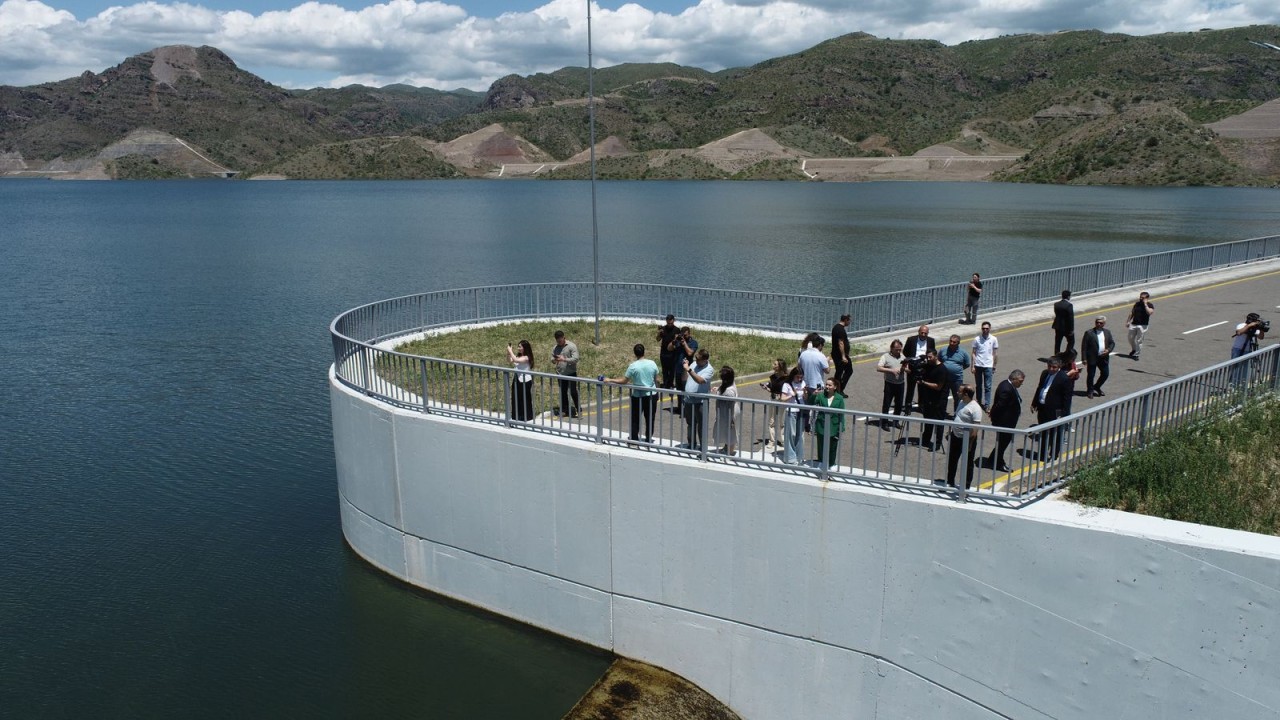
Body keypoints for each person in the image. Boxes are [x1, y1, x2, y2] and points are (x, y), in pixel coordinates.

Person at [604, 344, 658, 443]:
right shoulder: (652, 363)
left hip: (638, 396)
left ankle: (634, 439)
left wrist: (610, 379)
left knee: (635, 418)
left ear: (635, 353)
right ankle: (648, 439)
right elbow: (655, 379)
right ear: (644, 352)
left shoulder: (633, 366)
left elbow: (624, 381)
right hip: (652, 395)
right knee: (650, 418)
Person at [1030, 356, 1072, 461]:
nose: (1051, 369)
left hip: (1055, 411)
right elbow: (1040, 388)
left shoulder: (1064, 378)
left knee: (1055, 434)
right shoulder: (1044, 374)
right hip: (1043, 408)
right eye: (1049, 366)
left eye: (1054, 367)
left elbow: (1067, 398)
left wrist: (1064, 414)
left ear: (1059, 367)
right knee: (1043, 432)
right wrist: (1034, 403)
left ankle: (1054, 454)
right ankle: (1043, 454)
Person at [984, 369, 1025, 472]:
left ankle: (992, 459)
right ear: (1014, 378)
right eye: (1020, 381)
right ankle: (999, 463)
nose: (1021, 383)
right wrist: (993, 415)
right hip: (1005, 423)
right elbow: (1000, 406)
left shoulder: (1008, 385)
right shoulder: (1006, 388)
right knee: (1003, 443)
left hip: (1007, 421)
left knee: (1002, 443)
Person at [946, 384, 983, 490]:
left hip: (967, 440)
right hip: (955, 436)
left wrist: (970, 444)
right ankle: (950, 481)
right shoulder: (962, 402)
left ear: (966, 394)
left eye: (959, 391)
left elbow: (975, 429)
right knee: (952, 460)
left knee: (968, 463)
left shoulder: (975, 408)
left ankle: (966, 486)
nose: (957, 393)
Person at [809, 378, 846, 470]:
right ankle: (822, 462)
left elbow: (841, 414)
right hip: (821, 425)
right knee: (821, 445)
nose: (827, 387)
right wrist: (814, 394)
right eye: (826, 384)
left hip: (834, 426)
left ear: (835, 387)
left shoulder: (840, 398)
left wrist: (841, 427)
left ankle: (831, 463)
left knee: (833, 446)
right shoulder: (821, 396)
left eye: (830, 385)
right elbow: (811, 402)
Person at [681, 349, 715, 450]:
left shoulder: (709, 369)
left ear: (705, 360)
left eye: (698, 359)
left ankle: (703, 448)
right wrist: (685, 368)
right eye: (696, 358)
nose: (696, 360)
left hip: (701, 402)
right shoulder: (693, 364)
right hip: (688, 400)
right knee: (690, 424)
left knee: (702, 426)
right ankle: (691, 444)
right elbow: (684, 378)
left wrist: (689, 370)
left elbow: (700, 380)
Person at [917, 349, 948, 451]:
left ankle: (938, 444)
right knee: (928, 420)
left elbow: (938, 386)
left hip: (939, 400)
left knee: (938, 422)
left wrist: (923, 383)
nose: (928, 359)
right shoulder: (928, 365)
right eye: (927, 357)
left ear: (936, 356)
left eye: (930, 357)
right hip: (928, 398)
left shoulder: (942, 369)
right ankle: (926, 439)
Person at [903, 325, 936, 414]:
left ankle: (921, 405)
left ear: (927, 333)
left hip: (924, 367)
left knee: (922, 387)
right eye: (922, 332)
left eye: (925, 333)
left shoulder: (931, 341)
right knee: (910, 388)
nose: (923, 334)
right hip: (912, 367)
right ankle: (908, 406)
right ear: (918, 332)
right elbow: (905, 352)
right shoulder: (911, 340)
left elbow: (932, 352)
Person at [1081, 316, 1116, 398]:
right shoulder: (1089, 333)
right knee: (1091, 375)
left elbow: (1112, 343)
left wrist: (1108, 350)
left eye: (1101, 323)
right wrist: (1084, 359)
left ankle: (1096, 386)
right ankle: (1090, 390)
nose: (1098, 324)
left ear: (1104, 324)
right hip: (1092, 357)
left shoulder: (1107, 332)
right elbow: (1084, 347)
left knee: (1105, 374)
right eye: (1097, 322)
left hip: (1103, 357)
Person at [1230, 313, 1268, 385]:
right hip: (1237, 349)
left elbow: (1261, 337)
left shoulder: (1255, 328)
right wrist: (1249, 326)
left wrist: (1261, 329)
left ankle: (1242, 385)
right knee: (1235, 368)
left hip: (1247, 351)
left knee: (1245, 369)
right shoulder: (1242, 325)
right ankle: (1232, 384)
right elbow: (1239, 332)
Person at [875, 339, 906, 429]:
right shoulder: (885, 356)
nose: (898, 351)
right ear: (891, 348)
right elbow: (878, 368)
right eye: (896, 349)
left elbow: (907, 369)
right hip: (889, 384)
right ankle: (885, 422)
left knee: (899, 404)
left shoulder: (902, 357)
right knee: (887, 403)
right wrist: (891, 370)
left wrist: (904, 368)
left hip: (900, 383)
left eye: (900, 349)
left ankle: (896, 421)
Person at [779, 366, 806, 464]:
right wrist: (792, 395)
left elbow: (805, 398)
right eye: (797, 377)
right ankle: (790, 457)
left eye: (801, 377)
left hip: (801, 410)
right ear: (793, 376)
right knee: (791, 434)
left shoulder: (803, 383)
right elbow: (782, 398)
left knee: (800, 435)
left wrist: (805, 393)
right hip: (791, 411)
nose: (799, 379)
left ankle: (799, 456)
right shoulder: (787, 384)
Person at [938, 334, 971, 413]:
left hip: (957, 379)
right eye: (950, 341)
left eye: (954, 342)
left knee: (958, 397)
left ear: (958, 343)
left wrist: (957, 369)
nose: (951, 343)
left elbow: (967, 364)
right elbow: (939, 361)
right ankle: (942, 412)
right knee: (943, 396)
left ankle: (956, 413)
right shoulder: (943, 350)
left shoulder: (963, 353)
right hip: (944, 379)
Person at [551, 330, 580, 418]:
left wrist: (564, 359)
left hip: (571, 373)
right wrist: (555, 359)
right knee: (563, 393)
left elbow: (576, 359)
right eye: (558, 341)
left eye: (561, 340)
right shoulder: (555, 348)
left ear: (564, 337)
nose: (559, 342)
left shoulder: (571, 346)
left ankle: (578, 409)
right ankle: (565, 410)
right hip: (561, 374)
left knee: (573, 392)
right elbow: (552, 359)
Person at [760, 358, 788, 448]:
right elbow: (771, 389)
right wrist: (766, 388)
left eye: (775, 364)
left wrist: (783, 395)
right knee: (771, 420)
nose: (773, 365)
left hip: (782, 400)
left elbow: (789, 389)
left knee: (781, 421)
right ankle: (772, 440)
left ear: (780, 366)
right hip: (773, 398)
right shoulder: (772, 377)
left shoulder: (786, 378)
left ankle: (783, 440)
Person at [970, 321, 999, 411]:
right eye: (983, 328)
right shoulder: (977, 339)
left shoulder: (993, 339)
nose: (985, 330)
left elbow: (995, 354)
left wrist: (994, 365)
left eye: (987, 328)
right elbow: (973, 353)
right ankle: (979, 401)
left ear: (989, 328)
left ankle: (987, 405)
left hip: (988, 366)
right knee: (978, 385)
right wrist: (973, 366)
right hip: (978, 365)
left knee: (988, 386)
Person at [713, 366, 740, 455]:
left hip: (730, 412)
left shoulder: (730, 390)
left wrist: (718, 393)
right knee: (725, 430)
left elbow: (725, 395)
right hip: (724, 412)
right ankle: (726, 447)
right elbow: (722, 389)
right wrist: (718, 389)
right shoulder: (727, 384)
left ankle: (730, 453)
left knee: (731, 432)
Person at [506, 339, 535, 421]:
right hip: (517, 380)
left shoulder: (526, 357)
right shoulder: (518, 356)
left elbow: (515, 360)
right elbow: (510, 361)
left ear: (525, 348)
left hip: (525, 381)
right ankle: (516, 416)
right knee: (516, 398)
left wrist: (510, 351)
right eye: (518, 347)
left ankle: (527, 416)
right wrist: (508, 353)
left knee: (525, 399)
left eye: (520, 347)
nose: (518, 348)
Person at [1124, 291, 1154, 360]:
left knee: (1139, 340)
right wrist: (1128, 321)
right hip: (1134, 324)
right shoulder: (1137, 304)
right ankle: (1134, 349)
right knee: (1130, 338)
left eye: (1143, 297)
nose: (1141, 298)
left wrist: (1145, 304)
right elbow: (1132, 313)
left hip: (1142, 325)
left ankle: (1136, 354)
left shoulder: (1150, 305)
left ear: (1147, 298)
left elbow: (1149, 312)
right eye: (1140, 297)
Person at [658, 314, 681, 398]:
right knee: (664, 370)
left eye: (671, 323)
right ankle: (665, 384)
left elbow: (678, 343)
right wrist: (659, 333)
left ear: (673, 321)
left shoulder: (677, 330)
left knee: (672, 370)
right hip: (663, 353)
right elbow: (658, 339)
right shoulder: (663, 329)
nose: (669, 325)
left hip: (673, 353)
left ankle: (670, 384)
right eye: (668, 323)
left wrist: (676, 339)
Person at [831, 314, 852, 396]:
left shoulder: (836, 327)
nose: (849, 323)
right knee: (848, 371)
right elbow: (840, 343)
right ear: (846, 320)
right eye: (849, 321)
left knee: (839, 372)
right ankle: (838, 390)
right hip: (840, 356)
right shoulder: (840, 330)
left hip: (837, 354)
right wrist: (843, 356)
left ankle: (837, 389)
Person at [1052, 290, 1075, 356]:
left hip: (1058, 327)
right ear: (1068, 297)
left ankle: (1056, 355)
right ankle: (1068, 354)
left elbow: (1057, 314)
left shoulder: (1056, 304)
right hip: (1066, 328)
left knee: (1058, 342)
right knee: (1071, 341)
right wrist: (1071, 330)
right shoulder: (1069, 305)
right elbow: (1071, 319)